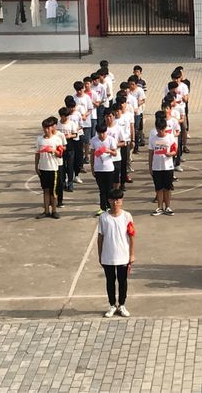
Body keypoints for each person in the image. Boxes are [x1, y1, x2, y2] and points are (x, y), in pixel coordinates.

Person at [97, 188, 134, 318]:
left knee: (122, 281)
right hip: (108, 255)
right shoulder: (103, 217)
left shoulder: (127, 216)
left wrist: (131, 254)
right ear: (108, 200)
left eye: (117, 200)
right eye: (112, 200)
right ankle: (112, 305)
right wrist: (100, 255)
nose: (115, 202)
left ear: (121, 201)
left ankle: (122, 305)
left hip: (123, 255)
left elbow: (131, 236)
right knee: (110, 281)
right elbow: (100, 237)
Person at [34, 118, 63, 219]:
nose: (46, 130)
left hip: (53, 168)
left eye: (48, 128)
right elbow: (37, 154)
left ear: (51, 128)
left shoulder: (57, 139)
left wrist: (54, 151)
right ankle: (46, 211)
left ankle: (54, 210)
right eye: (44, 128)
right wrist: (36, 166)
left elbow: (60, 154)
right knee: (45, 190)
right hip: (43, 168)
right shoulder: (39, 140)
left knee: (53, 192)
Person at [148, 118, 178, 216]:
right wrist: (150, 167)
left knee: (167, 188)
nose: (160, 131)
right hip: (157, 167)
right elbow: (151, 154)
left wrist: (170, 154)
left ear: (165, 128)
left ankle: (168, 207)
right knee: (159, 188)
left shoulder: (170, 137)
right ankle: (160, 207)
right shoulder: (153, 139)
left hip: (168, 167)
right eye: (158, 129)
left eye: (162, 129)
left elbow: (175, 150)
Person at [90, 124, 118, 216]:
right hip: (98, 169)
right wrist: (92, 167)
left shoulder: (110, 140)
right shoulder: (94, 140)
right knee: (102, 190)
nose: (101, 135)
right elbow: (92, 155)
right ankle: (102, 208)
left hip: (108, 169)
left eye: (103, 133)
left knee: (109, 189)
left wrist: (109, 151)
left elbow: (115, 153)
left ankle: (109, 207)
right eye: (99, 133)